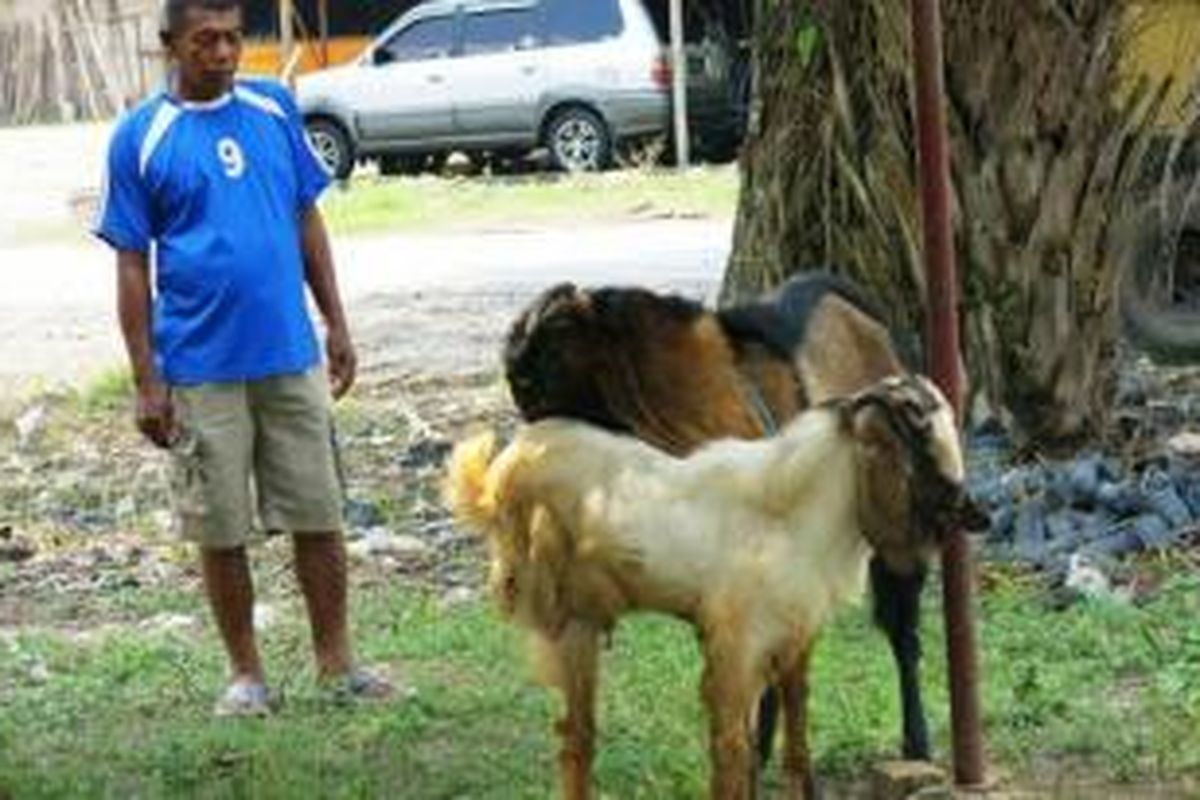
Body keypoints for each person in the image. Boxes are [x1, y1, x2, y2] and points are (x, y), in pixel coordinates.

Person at [93, 0, 390, 716]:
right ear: (170, 45)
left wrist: (336, 323)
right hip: (199, 369)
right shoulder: (140, 137)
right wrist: (146, 379)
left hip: (289, 356)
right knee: (218, 525)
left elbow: (305, 216)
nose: (224, 53)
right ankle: (247, 676)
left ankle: (336, 663)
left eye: (233, 38)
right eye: (205, 41)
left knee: (319, 512)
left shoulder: (272, 108)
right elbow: (132, 265)